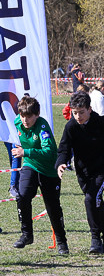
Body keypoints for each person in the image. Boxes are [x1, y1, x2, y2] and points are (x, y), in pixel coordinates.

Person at [56, 92, 104, 254]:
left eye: (81, 112)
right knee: (95, 200)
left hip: (103, 169)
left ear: (89, 109)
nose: (78, 116)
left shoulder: (100, 121)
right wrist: (61, 163)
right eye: (75, 113)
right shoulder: (71, 126)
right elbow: (64, 149)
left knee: (91, 199)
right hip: (84, 173)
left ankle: (96, 237)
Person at [12, 95, 68, 255]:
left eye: (29, 116)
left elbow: (49, 152)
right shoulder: (18, 121)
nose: (25, 120)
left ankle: (62, 242)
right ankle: (26, 235)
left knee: (53, 207)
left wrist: (25, 151)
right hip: (30, 165)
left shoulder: (42, 127)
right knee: (22, 196)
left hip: (49, 170)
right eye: (23, 116)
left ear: (36, 115)